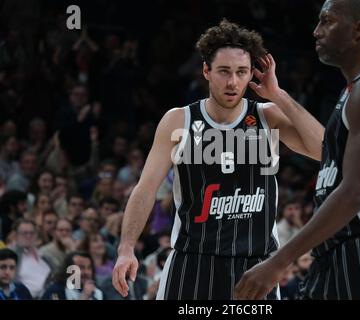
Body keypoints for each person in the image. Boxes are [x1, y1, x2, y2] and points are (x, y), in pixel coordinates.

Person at [112, 19, 324, 300]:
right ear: (206, 71)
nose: (233, 82)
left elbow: (326, 150)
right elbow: (146, 187)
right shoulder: (179, 120)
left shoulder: (268, 115)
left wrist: (279, 95)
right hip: (193, 262)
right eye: (224, 71)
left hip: (255, 266)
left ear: (251, 75)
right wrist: (126, 247)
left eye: (241, 72)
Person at [235, 0, 360, 300]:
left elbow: (357, 191)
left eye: (327, 21)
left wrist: (279, 261)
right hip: (338, 254)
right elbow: (326, 151)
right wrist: (277, 95)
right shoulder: (354, 91)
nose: (316, 31)